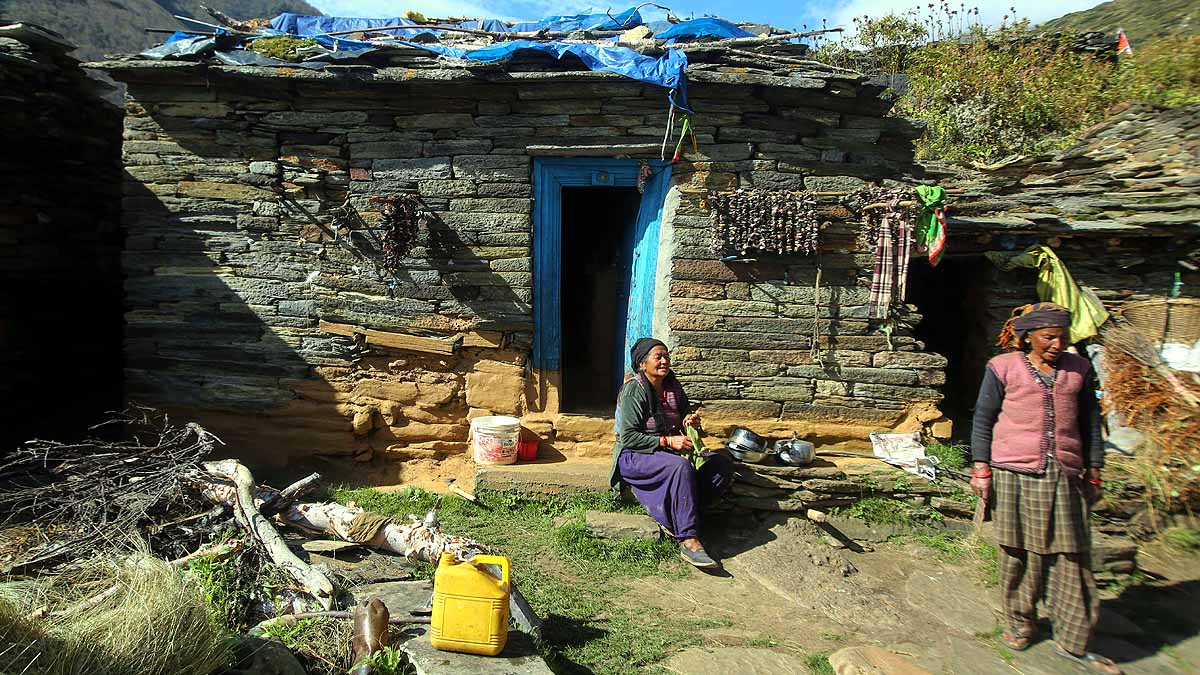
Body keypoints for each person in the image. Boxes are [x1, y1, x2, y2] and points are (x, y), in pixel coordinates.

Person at [970, 302, 1120, 675]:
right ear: (1027, 338)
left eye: (1062, 338)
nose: (1057, 344)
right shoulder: (1002, 368)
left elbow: (1090, 426)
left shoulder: (1079, 370)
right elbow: (983, 420)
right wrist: (981, 469)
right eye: (1049, 337)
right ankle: (1021, 620)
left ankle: (1073, 638)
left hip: (1065, 473)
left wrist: (1095, 470)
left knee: (1071, 555)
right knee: (1017, 551)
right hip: (1015, 471)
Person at [609, 338, 734, 569]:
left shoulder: (672, 387)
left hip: (668, 455)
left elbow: (684, 412)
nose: (664, 361)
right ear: (642, 364)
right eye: (658, 357)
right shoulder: (634, 391)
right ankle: (688, 540)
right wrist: (667, 440)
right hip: (634, 456)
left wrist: (690, 420)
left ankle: (682, 516)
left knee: (720, 466)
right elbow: (628, 438)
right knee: (680, 467)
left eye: (666, 356)